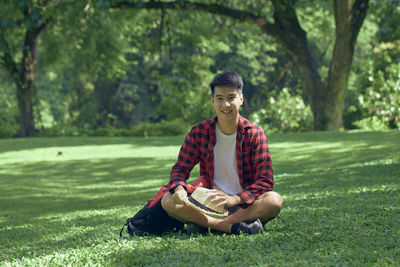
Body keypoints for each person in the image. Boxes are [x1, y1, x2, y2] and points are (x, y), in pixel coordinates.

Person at [161, 71, 283, 235]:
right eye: (219, 98)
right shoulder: (200, 132)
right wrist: (179, 189)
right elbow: (179, 169)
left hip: (244, 205)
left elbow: (265, 181)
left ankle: (205, 225)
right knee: (167, 200)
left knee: (274, 201)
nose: (225, 104)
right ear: (212, 101)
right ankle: (235, 228)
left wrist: (235, 198)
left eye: (231, 97)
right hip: (208, 204)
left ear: (241, 99)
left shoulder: (254, 133)